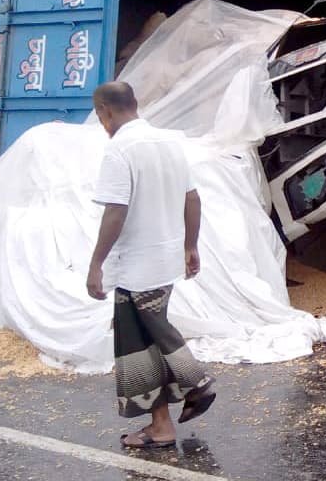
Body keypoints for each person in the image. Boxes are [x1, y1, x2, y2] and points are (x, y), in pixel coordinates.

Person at [84, 82, 216, 449]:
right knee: (144, 344)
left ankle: (198, 382)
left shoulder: (119, 150)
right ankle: (161, 426)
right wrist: (190, 245)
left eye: (100, 117)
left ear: (104, 111)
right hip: (165, 261)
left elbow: (116, 211)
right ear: (135, 103)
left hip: (136, 267)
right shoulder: (169, 142)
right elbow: (193, 198)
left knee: (145, 338)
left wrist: (96, 264)